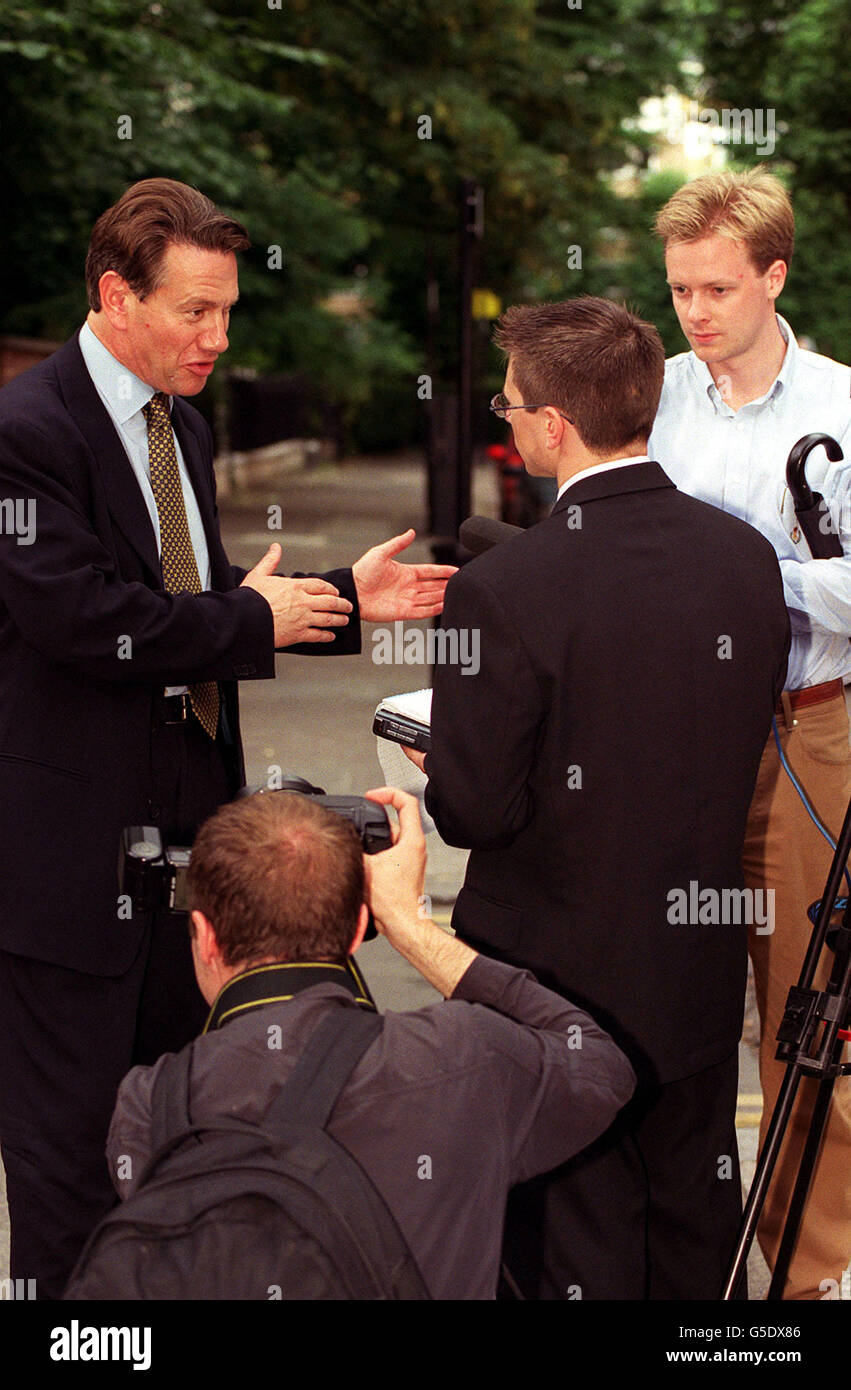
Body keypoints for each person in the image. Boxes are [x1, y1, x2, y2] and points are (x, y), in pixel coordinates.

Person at [0, 177, 455, 1300]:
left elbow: (190, 612)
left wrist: (334, 598)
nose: (217, 336)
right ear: (115, 293)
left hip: (185, 863)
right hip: (66, 876)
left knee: (178, 1162)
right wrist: (251, 615)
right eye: (194, 310)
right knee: (66, 1177)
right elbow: (87, 620)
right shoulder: (25, 432)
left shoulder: (184, 424)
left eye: (230, 312)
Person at [406, 295, 791, 1299]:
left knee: (573, 1249)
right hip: (694, 971)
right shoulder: (744, 560)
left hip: (553, 983)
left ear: (551, 425)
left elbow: (475, 811)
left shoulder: (500, 587)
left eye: (508, 403)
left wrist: (440, 760)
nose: (508, 417)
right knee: (693, 1230)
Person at [103, 785, 636, 1299]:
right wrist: (411, 925)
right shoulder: (463, 1057)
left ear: (207, 937)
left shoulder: (150, 1106)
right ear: (360, 926)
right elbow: (600, 1068)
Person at [648, 168, 851, 1299]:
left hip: (799, 736)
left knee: (803, 1016)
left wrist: (746, 578)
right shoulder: (652, 396)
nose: (693, 312)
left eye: (716, 287)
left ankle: (812, 1278)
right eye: (677, 288)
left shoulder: (842, 405)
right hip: (662, 741)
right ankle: (689, 1277)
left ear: (774, 275)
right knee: (661, 1009)